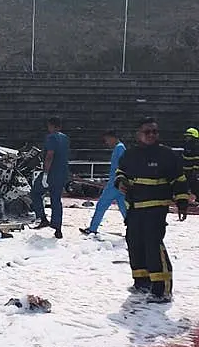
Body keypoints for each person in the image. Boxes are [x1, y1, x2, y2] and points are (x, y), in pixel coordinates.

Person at [115, 117, 188, 303]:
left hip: (156, 206)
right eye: (147, 132)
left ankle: (162, 289)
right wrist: (121, 182)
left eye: (154, 131)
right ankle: (141, 281)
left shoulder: (167, 155)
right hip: (135, 207)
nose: (151, 135)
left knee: (153, 244)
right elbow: (120, 172)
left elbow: (178, 180)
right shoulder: (130, 154)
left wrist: (182, 201)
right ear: (138, 134)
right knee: (135, 242)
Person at [80, 130, 127, 234]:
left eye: (107, 140)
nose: (107, 142)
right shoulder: (120, 148)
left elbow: (122, 166)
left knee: (101, 205)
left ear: (112, 137)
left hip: (114, 183)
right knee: (124, 208)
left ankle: (93, 228)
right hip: (118, 182)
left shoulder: (119, 148)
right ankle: (133, 229)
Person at [31, 116, 70, 239]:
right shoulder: (65, 138)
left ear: (52, 126)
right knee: (56, 200)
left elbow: (49, 156)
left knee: (35, 192)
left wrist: (45, 174)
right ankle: (57, 228)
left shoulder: (51, 138)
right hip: (62, 172)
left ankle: (42, 217)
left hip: (51, 172)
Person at [182, 127, 199, 201]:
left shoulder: (197, 147)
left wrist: (195, 170)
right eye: (186, 136)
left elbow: (197, 159)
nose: (186, 138)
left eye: (188, 136)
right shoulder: (186, 146)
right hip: (186, 170)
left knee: (195, 185)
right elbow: (184, 158)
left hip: (194, 171)